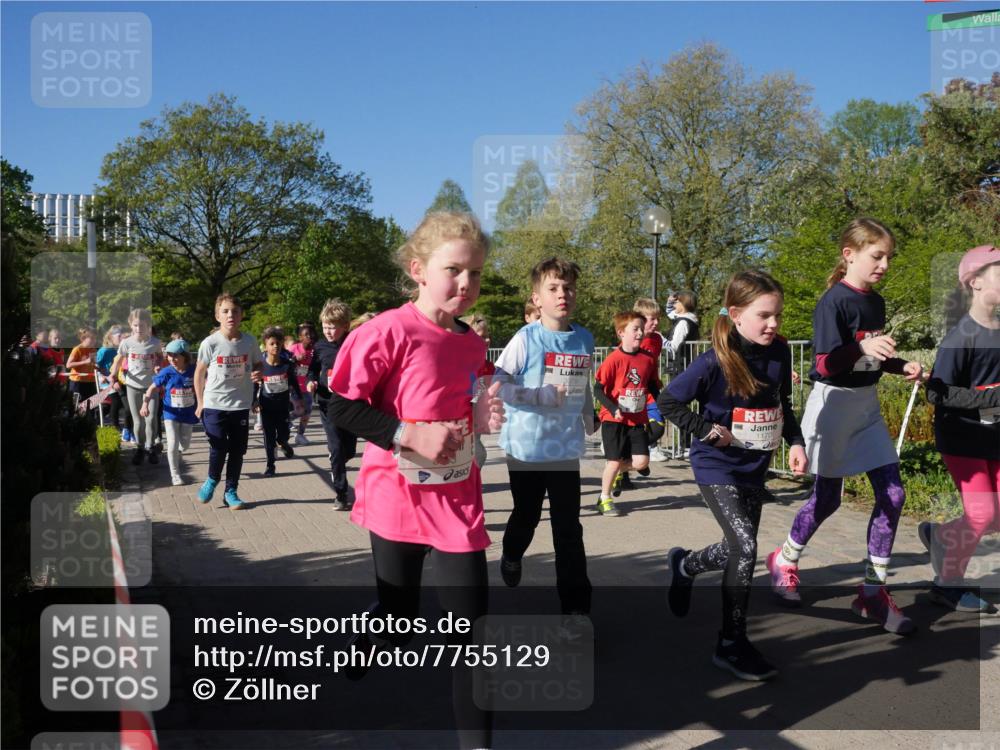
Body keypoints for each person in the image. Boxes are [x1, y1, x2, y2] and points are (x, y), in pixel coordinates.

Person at [326, 211, 504, 750]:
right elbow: (338, 406)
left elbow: (466, 405)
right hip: (396, 497)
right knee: (400, 614)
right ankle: (365, 639)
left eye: (475, 274)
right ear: (419, 270)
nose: (467, 285)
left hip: (456, 501)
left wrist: (481, 417)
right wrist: (406, 432)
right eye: (454, 271)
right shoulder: (387, 330)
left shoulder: (472, 344)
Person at [766, 218, 924, 634]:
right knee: (828, 500)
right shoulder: (832, 302)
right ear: (849, 254)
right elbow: (824, 364)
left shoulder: (877, 302)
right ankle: (784, 558)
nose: (885, 264)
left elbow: (871, 356)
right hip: (833, 405)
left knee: (893, 493)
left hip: (866, 407)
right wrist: (860, 347)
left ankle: (871, 594)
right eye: (877, 255)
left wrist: (899, 364)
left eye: (889, 256)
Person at [661, 270, 808, 680]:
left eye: (777, 315)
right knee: (745, 546)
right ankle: (731, 643)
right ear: (737, 314)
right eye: (764, 316)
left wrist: (795, 442)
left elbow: (784, 405)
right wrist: (706, 430)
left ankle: (686, 566)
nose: (774, 324)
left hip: (755, 464)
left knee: (735, 548)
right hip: (716, 464)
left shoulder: (777, 352)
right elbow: (668, 402)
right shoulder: (713, 361)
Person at [495, 257, 596, 623]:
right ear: (537, 298)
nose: (562, 294)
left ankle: (575, 610)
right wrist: (537, 396)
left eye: (567, 287)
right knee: (527, 514)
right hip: (526, 447)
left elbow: (581, 382)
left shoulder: (584, 338)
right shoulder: (525, 339)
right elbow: (496, 386)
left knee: (568, 529)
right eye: (553, 288)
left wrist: (588, 411)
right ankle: (511, 553)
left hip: (564, 448)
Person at [919, 244, 1000, 612]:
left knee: (995, 518)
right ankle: (947, 584)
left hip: (994, 437)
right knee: (982, 514)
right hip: (962, 437)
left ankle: (941, 536)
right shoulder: (960, 338)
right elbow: (937, 393)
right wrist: (989, 399)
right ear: (976, 282)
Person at [194, 293, 263, 509]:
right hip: (214, 404)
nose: (230, 315)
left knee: (237, 450)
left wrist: (258, 373)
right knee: (218, 446)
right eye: (225, 311)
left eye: (234, 311)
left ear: (242, 315)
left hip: (240, 405)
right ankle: (212, 479)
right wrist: (200, 402)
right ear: (217, 316)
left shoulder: (250, 341)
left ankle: (231, 491)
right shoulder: (210, 343)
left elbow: (259, 364)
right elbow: (198, 373)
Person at [594, 311, 660, 516]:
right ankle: (604, 498)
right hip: (613, 419)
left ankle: (615, 471)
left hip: (637, 418)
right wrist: (613, 408)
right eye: (635, 329)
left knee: (642, 462)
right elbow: (597, 389)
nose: (640, 332)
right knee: (613, 461)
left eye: (642, 328)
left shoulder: (648, 359)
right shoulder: (614, 359)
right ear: (621, 333)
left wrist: (660, 405)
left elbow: (652, 385)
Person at [306, 299, 357, 511]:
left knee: (349, 450)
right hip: (329, 404)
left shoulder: (355, 342)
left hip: (352, 405)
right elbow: (312, 369)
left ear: (345, 326)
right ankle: (341, 493)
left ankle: (338, 458)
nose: (328, 331)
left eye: (333, 327)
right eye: (325, 326)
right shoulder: (319, 347)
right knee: (336, 449)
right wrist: (311, 381)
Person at [142, 339, 197, 485]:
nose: (172, 359)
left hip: (188, 413)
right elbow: (151, 388)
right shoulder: (167, 372)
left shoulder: (194, 369)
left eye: (176, 356)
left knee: (184, 444)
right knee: (172, 443)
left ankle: (179, 452)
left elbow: (204, 384)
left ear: (185, 356)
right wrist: (145, 404)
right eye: (169, 355)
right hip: (170, 413)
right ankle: (175, 475)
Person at [111, 309, 163, 465]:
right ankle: (140, 448)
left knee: (151, 419)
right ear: (130, 325)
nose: (139, 329)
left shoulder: (155, 342)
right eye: (135, 325)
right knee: (138, 421)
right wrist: (112, 376)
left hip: (151, 386)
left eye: (142, 325)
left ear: (148, 325)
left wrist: (158, 366)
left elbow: (160, 356)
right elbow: (118, 360)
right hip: (133, 386)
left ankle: (151, 447)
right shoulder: (126, 343)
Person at [254, 326, 305, 477]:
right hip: (266, 406)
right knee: (268, 437)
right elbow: (253, 384)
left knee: (284, 433)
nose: (275, 346)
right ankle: (270, 466)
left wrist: (299, 399)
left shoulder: (287, 364)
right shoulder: (261, 365)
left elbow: (294, 382)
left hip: (283, 406)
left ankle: (283, 442)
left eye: (278, 343)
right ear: (266, 344)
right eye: (272, 343)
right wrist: (253, 401)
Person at [634, 297, 669, 464]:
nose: (656, 322)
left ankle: (637, 449)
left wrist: (655, 379)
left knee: (658, 426)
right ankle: (624, 468)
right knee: (635, 425)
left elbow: (652, 363)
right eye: (651, 318)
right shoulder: (632, 339)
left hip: (652, 388)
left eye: (658, 318)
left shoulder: (657, 339)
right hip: (634, 390)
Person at [665, 292, 700, 457]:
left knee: (676, 406)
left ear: (683, 304)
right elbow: (670, 313)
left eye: (677, 302)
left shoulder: (683, 323)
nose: (674, 305)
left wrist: (658, 339)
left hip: (679, 367)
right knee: (680, 406)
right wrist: (669, 302)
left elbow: (673, 346)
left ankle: (685, 445)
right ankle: (684, 444)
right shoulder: (687, 319)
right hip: (682, 367)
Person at [464, 314, 495, 469]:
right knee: (478, 453)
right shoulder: (459, 366)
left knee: (477, 454)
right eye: (482, 337)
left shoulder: (488, 367)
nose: (487, 340)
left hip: (477, 421)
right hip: (461, 421)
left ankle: (470, 485)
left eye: (488, 336)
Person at [288, 323, 317, 445]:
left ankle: (300, 435)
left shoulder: (315, 350)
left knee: (308, 412)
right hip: (294, 386)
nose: (309, 336)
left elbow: (316, 367)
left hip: (307, 386)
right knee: (299, 411)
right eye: (306, 334)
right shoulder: (294, 348)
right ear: (300, 337)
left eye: (311, 334)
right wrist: (295, 359)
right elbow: (284, 363)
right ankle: (284, 421)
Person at [96, 325, 129, 431]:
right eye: (119, 336)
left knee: (118, 403)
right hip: (106, 380)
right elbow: (96, 366)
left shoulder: (120, 349)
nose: (121, 339)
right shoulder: (104, 350)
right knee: (116, 401)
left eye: (122, 336)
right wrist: (104, 377)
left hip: (118, 379)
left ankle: (100, 417)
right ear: (111, 337)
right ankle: (114, 426)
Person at [66, 327, 98, 415]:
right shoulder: (77, 349)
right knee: (76, 406)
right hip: (77, 382)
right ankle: (73, 423)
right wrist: (84, 362)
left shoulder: (93, 350)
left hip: (90, 381)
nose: (94, 341)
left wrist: (98, 368)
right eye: (92, 338)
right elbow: (68, 365)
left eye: (95, 338)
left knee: (90, 406)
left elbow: (93, 364)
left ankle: (89, 424)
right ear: (83, 339)